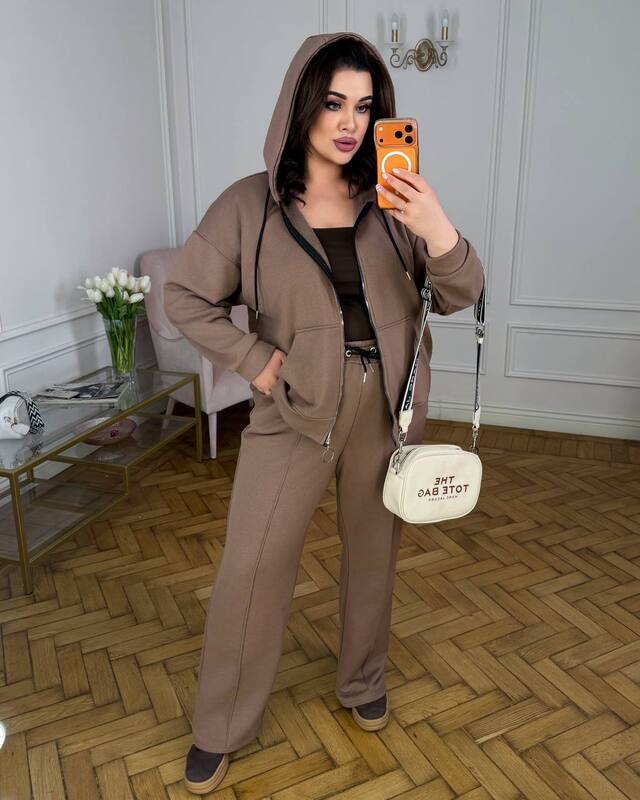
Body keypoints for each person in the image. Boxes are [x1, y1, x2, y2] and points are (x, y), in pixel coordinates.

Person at [164, 30, 485, 795]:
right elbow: (183, 295)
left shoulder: (394, 199)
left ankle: (362, 679)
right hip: (295, 407)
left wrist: (437, 227)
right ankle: (221, 725)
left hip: (387, 409)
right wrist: (256, 360)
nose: (348, 122)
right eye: (334, 102)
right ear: (301, 103)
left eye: (365, 107)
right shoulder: (249, 205)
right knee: (252, 566)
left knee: (374, 555)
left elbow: (463, 292)